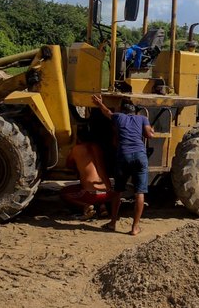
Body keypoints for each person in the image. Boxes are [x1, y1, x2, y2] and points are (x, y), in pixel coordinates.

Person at [92, 94, 154, 236]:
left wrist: (100, 103)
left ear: (122, 109)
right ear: (134, 110)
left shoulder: (119, 117)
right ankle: (135, 228)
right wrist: (152, 130)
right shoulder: (142, 118)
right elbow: (149, 135)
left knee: (118, 191)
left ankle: (113, 223)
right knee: (139, 192)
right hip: (140, 156)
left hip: (123, 156)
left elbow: (107, 112)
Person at [60, 141, 113, 220]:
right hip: (108, 193)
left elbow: (69, 165)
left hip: (90, 195)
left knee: (64, 193)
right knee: (86, 186)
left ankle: (85, 205)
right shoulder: (98, 147)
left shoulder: (76, 148)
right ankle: (102, 205)